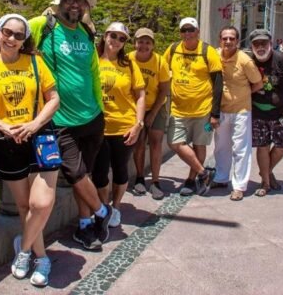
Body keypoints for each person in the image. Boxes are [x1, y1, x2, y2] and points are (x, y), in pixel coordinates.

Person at [0, 14, 60, 287]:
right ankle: (41, 257)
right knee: (24, 205)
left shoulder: (35, 62)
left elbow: (54, 99)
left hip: (41, 137)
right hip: (8, 141)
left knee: (41, 204)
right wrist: (2, 126)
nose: (12, 39)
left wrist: (34, 124)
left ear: (24, 40)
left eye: (19, 35)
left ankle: (25, 250)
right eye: (7, 32)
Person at [28, 0, 113, 251]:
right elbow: (12, 39)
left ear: (85, 5)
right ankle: (103, 211)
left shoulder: (87, 32)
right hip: (60, 120)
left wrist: (100, 109)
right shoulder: (43, 26)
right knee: (75, 173)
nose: (74, 4)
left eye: (79, 0)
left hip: (92, 117)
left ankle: (85, 225)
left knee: (83, 176)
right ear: (60, 3)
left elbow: (93, 72)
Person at [93, 22, 146, 228]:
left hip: (124, 126)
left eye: (122, 38)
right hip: (98, 127)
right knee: (99, 172)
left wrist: (138, 124)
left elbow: (140, 95)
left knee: (120, 169)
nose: (116, 41)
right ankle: (103, 207)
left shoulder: (129, 65)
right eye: (113, 36)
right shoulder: (93, 60)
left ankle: (116, 207)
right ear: (105, 36)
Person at [163, 17, 223, 196]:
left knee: (199, 145)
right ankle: (204, 173)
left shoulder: (208, 51)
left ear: (197, 31)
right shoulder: (173, 49)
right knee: (174, 143)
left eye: (191, 30)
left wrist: (215, 114)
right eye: (184, 30)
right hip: (178, 109)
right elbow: (161, 70)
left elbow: (218, 84)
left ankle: (191, 180)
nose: (187, 34)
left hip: (203, 110)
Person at [212, 27, 264, 200]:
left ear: (237, 41)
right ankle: (221, 178)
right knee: (221, 147)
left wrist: (244, 94)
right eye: (225, 38)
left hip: (241, 110)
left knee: (241, 149)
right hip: (221, 110)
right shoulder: (214, 56)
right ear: (220, 40)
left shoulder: (245, 60)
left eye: (232, 38)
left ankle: (239, 186)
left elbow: (258, 83)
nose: (228, 41)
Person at [249, 29, 283, 197]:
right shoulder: (249, 61)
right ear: (252, 46)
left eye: (264, 43)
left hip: (281, 113)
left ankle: (266, 170)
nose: (260, 47)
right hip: (258, 113)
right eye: (257, 44)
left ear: (270, 43)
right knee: (262, 146)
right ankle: (265, 181)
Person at [128, 28, 170, 200]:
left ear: (153, 45)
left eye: (147, 42)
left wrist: (152, 114)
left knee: (156, 142)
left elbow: (164, 90)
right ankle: (139, 177)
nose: (143, 45)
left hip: (155, 105)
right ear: (135, 43)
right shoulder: (127, 59)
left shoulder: (160, 62)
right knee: (138, 143)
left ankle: (155, 181)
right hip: (134, 107)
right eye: (140, 41)